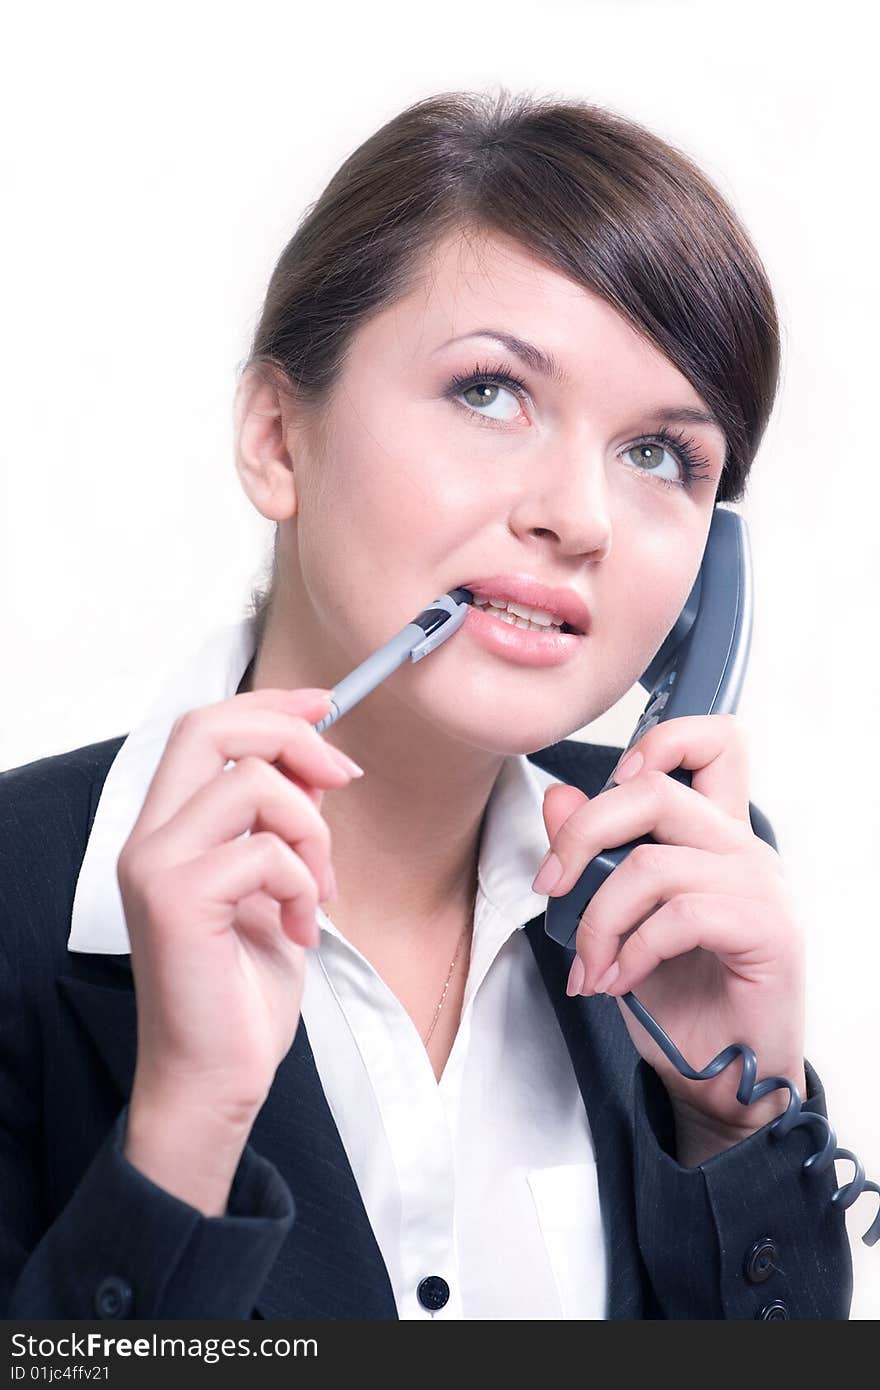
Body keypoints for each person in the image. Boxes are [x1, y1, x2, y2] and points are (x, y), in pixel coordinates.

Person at [0, 87, 854, 1321]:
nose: (580, 515)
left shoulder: (674, 897)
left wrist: (731, 1119)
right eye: (491, 392)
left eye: (661, 453)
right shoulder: (23, 902)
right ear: (278, 438)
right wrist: (184, 1128)